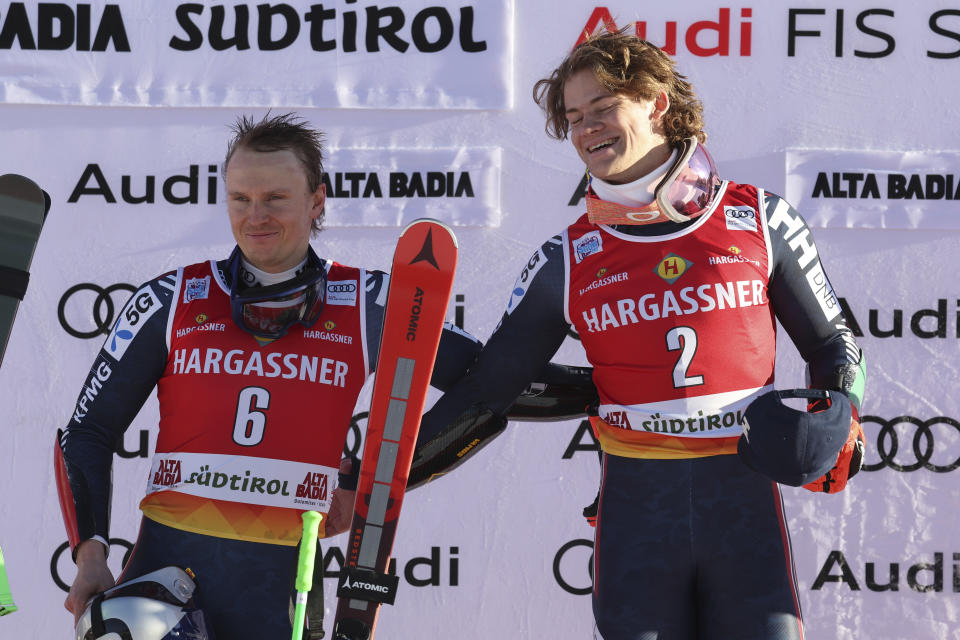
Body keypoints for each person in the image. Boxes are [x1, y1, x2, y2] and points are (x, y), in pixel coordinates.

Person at [414, 29, 866, 640]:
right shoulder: (569, 257)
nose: (587, 129)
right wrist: (373, 482)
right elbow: (488, 392)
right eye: (574, 118)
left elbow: (834, 343)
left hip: (744, 508)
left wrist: (841, 416)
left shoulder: (761, 218)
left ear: (657, 103)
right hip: (638, 516)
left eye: (603, 108)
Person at [53, 113, 489, 639]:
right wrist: (90, 554)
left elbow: (487, 388)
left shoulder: (367, 303)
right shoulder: (171, 299)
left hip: (283, 587)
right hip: (164, 582)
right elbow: (86, 432)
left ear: (316, 201)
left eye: (275, 199)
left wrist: (376, 483)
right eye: (240, 199)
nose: (255, 216)